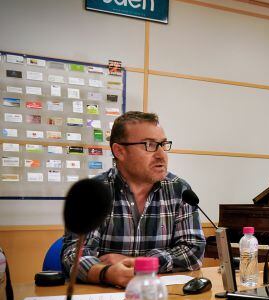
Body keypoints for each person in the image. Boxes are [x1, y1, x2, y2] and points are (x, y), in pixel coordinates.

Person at [61, 111, 205, 288]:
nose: (161, 155)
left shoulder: (179, 189)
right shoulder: (95, 193)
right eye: (149, 145)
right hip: (105, 299)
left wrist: (139, 263)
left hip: (158, 297)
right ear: (120, 151)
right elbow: (74, 255)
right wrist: (107, 274)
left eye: (163, 144)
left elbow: (193, 250)